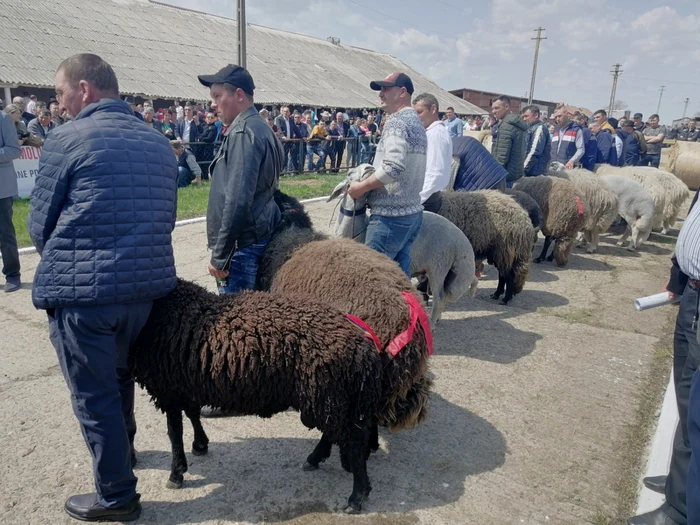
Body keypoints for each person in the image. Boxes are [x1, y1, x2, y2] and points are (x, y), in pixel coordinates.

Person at [27, 53, 177, 522]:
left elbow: (38, 224)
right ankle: (124, 453)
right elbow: (166, 218)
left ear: (85, 89)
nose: (59, 101)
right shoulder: (157, 142)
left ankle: (116, 496)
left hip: (85, 295)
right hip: (146, 291)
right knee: (119, 375)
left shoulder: (67, 138)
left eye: (61, 91)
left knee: (94, 394)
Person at [628, 195, 700, 525]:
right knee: (686, 393)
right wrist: (678, 277)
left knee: (696, 404)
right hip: (692, 293)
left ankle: (681, 507)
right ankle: (679, 482)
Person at [197, 63, 282, 295]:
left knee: (235, 322)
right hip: (252, 237)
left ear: (239, 95)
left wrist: (221, 255)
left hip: (241, 246)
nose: (212, 105)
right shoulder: (260, 127)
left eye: (217, 96)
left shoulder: (244, 131)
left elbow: (237, 200)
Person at [347, 72, 426, 276]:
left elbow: (393, 166)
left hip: (390, 216)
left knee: (371, 279)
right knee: (399, 278)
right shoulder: (417, 123)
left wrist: (359, 188)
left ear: (402, 92)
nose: (380, 94)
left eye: (386, 89)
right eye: (380, 89)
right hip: (411, 212)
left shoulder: (397, 122)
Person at [412, 92, 451, 213]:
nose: (417, 117)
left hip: (427, 198)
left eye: (419, 112)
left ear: (433, 109)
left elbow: (434, 173)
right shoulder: (432, 132)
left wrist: (416, 201)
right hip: (426, 195)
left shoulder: (436, 134)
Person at [0, 106, 22, 293]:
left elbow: (14, 150)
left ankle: (12, 274)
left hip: (1, 188)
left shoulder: (3, 119)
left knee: (5, 233)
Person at [490, 95, 527, 186]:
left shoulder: (506, 126)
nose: (494, 111)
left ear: (506, 107)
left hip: (505, 176)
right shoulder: (517, 124)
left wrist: (493, 175)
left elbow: (502, 156)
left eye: (497, 108)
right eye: (493, 108)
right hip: (516, 172)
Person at [521, 105, 551, 177]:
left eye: (526, 116)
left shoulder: (539, 128)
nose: (524, 119)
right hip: (530, 171)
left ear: (536, 115)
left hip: (535, 173)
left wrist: (523, 169)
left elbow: (534, 151)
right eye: (523, 117)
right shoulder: (529, 128)